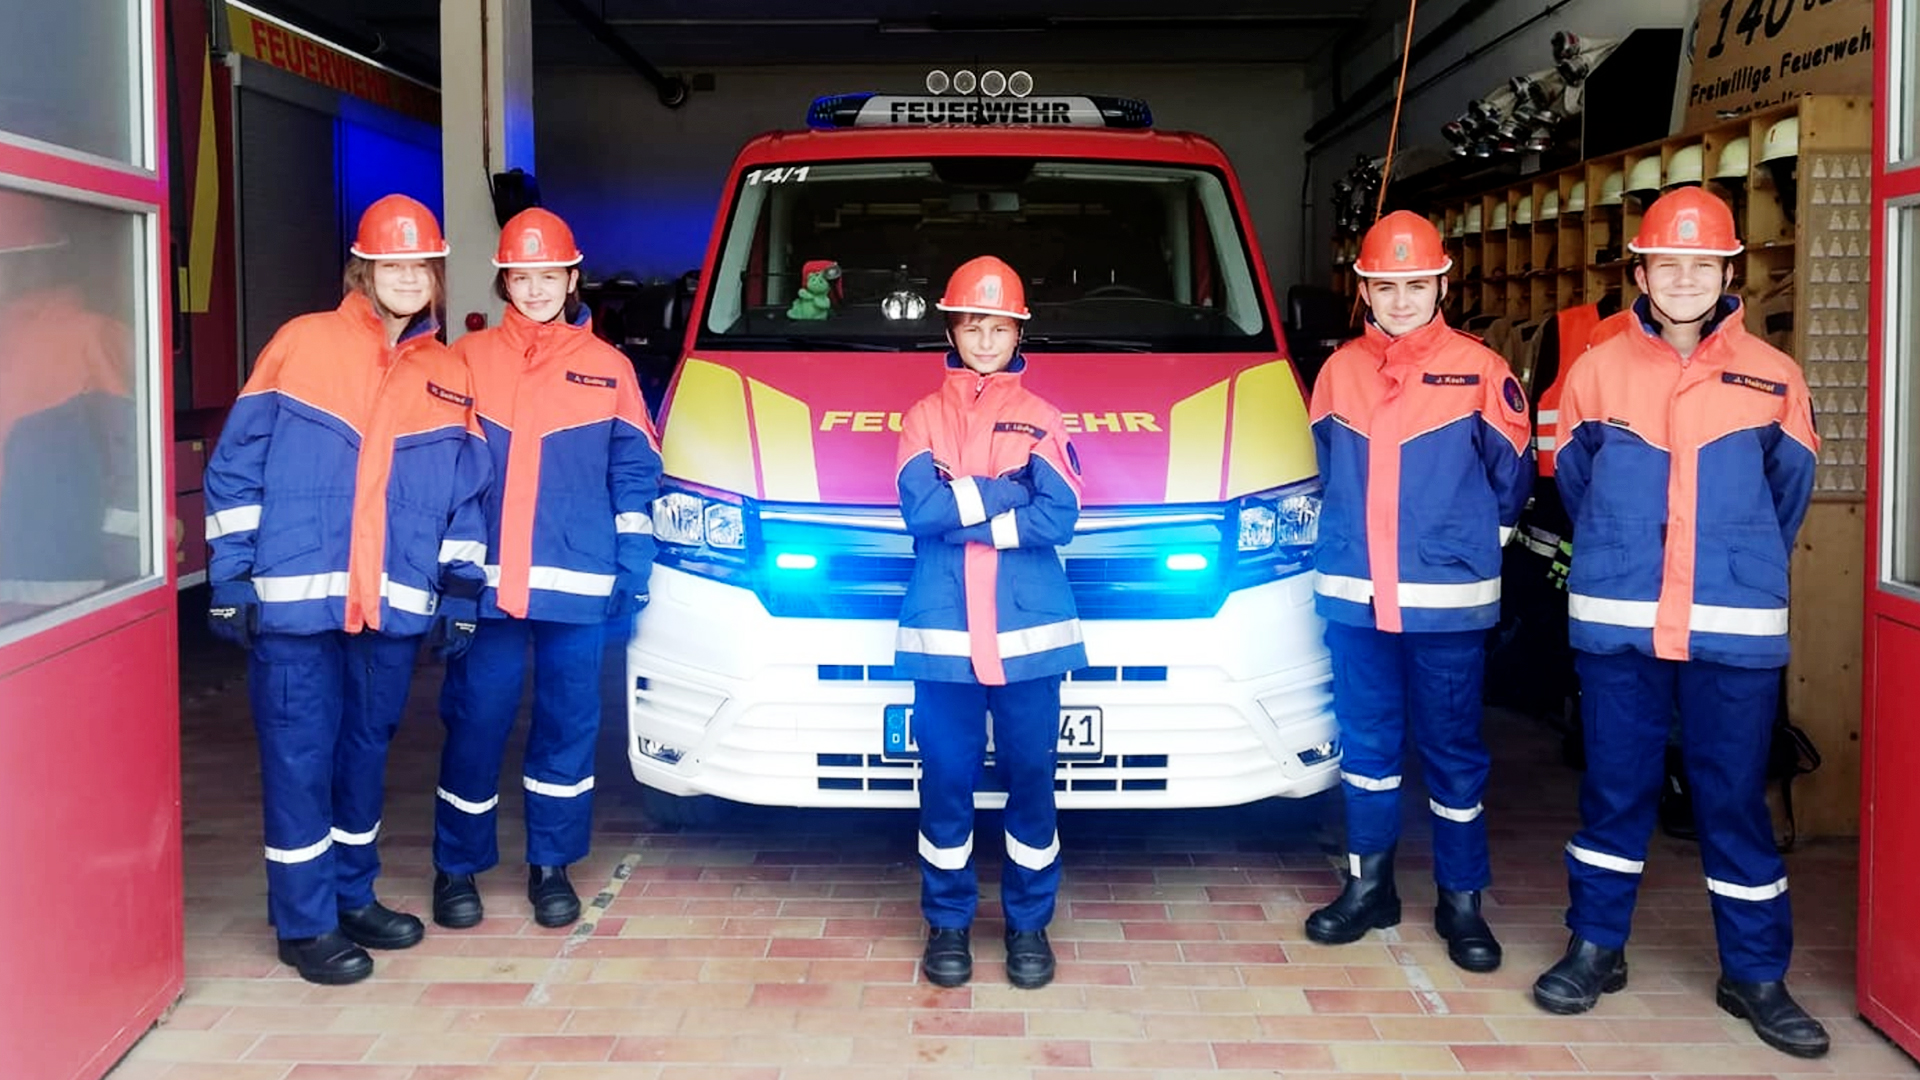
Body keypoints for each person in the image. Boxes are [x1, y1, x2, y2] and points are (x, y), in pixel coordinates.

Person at [1535, 186, 1827, 1058]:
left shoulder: (1775, 376)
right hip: (1621, 621)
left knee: (1732, 800)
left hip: (1731, 627)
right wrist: (1631, 551)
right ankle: (1596, 947)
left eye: (1704, 265)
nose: (1687, 279)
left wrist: (1728, 559)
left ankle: (1756, 975)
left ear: (1729, 273)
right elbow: (1575, 485)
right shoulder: (1594, 370)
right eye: (1670, 264)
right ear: (1643, 273)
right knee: (1613, 790)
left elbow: (1787, 499)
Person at [202, 194, 491, 986]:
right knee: (299, 758)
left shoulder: (447, 373)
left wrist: (461, 589)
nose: (409, 277)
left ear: (436, 277)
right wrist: (231, 575)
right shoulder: (301, 343)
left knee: (364, 755)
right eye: (393, 264)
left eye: (421, 266)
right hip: (297, 604)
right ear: (363, 270)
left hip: (392, 606)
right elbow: (236, 465)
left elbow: (468, 495)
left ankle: (352, 896)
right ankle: (304, 924)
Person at [1304, 210, 1533, 973]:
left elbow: (1512, 482)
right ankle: (1368, 888)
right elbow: (1326, 468)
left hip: (1446, 603)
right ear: (1364, 290)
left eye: (1414, 285)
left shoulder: (1482, 370)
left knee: (1453, 752)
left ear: (1441, 285)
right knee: (1366, 747)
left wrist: (1454, 546)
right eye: (1385, 286)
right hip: (1355, 595)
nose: (1400, 299)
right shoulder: (1337, 373)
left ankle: (1461, 901)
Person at [431, 208, 662, 931]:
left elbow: (635, 474)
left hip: (578, 582)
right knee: (476, 721)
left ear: (571, 279)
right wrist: (445, 574)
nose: (535, 289)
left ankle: (551, 865)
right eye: (522, 277)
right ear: (505, 281)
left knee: (568, 725)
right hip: (485, 584)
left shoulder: (610, 366)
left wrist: (635, 563)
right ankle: (456, 867)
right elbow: (439, 469)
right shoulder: (465, 359)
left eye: (548, 276)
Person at [894, 255, 1085, 990]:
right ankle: (947, 923)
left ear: (1017, 333)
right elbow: (920, 510)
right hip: (944, 635)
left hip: (1027, 637)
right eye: (973, 325)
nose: (984, 339)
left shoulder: (1044, 417)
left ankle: (1028, 924)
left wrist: (968, 507)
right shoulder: (921, 417)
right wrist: (1008, 492)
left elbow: (1060, 516)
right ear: (952, 328)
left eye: (998, 327)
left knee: (1031, 778)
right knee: (945, 780)